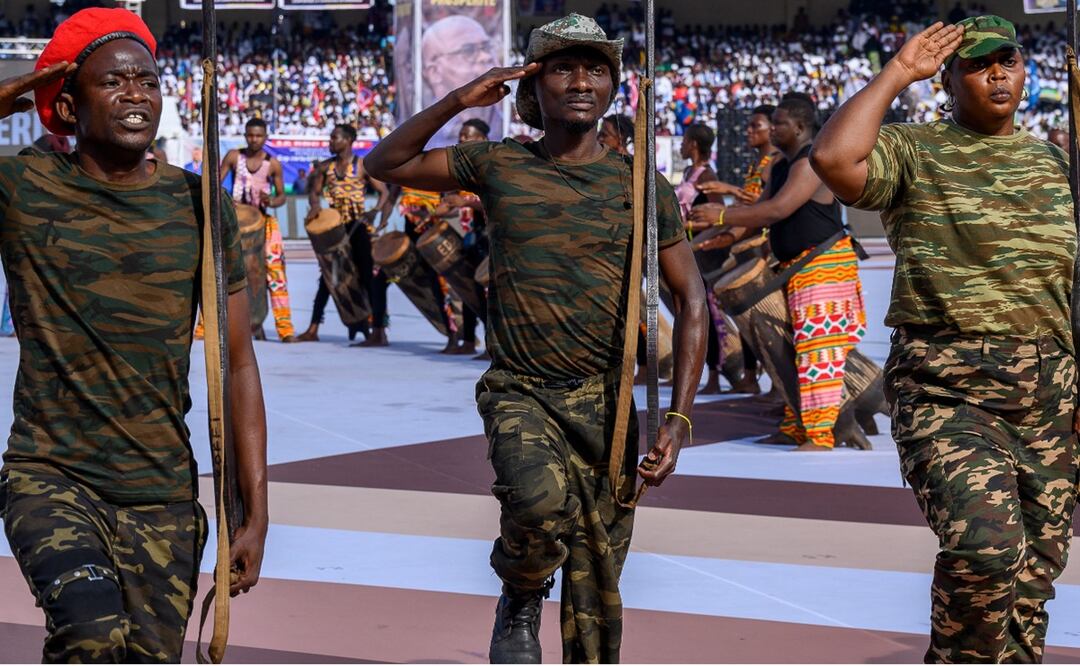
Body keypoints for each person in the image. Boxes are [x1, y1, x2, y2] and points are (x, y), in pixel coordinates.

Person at [365, 13, 707, 664]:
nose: (582, 80)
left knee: (598, 599)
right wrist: (462, 98)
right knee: (537, 505)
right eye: (563, 67)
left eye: (597, 67)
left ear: (614, 85)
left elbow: (692, 298)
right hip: (521, 392)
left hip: (607, 408)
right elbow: (387, 162)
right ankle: (520, 590)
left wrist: (680, 420)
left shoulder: (641, 186)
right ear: (533, 85)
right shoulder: (499, 165)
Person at [0, 8, 267, 662]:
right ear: (66, 102)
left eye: (147, 81)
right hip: (52, 476)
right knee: (92, 635)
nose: (135, 95)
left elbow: (236, 363)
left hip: (163, 492)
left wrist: (253, 511)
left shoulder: (198, 204)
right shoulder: (23, 187)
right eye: (113, 82)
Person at [810, 17, 1077, 662]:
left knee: (1032, 577)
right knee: (985, 550)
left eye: (1007, 61)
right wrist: (898, 72)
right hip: (948, 390)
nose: (998, 75)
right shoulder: (915, 149)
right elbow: (833, 160)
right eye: (979, 65)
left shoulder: (1052, 162)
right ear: (949, 80)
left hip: (1049, 393)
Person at [688, 95, 867, 452]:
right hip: (796, 269)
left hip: (823, 268)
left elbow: (777, 210)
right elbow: (758, 215)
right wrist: (702, 240)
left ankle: (819, 434)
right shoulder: (782, 166)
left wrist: (721, 217)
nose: (773, 128)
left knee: (818, 351)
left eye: (779, 122)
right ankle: (796, 426)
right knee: (790, 348)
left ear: (799, 127)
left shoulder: (809, 162)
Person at [299, 124, 391, 344]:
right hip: (335, 228)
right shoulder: (325, 167)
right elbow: (314, 192)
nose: (330, 142)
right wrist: (314, 205)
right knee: (328, 278)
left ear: (349, 140)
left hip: (358, 226)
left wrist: (375, 211)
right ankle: (313, 329)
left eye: (334, 138)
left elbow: (384, 192)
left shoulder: (362, 166)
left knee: (367, 277)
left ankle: (379, 330)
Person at [221, 117, 296, 342]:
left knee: (275, 274)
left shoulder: (272, 163)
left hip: (263, 222)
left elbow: (282, 196)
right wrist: (225, 202)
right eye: (250, 135)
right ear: (245, 135)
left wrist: (271, 201)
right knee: (224, 271)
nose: (254, 139)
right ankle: (210, 327)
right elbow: (215, 182)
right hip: (235, 222)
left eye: (259, 136)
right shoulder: (234, 156)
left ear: (265, 137)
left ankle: (285, 329)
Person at [432, 118, 490, 356]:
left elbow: (490, 203)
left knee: (488, 292)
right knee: (467, 287)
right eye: (461, 136)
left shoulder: (490, 166)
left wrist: (465, 201)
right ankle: (467, 340)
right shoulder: (461, 171)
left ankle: (492, 345)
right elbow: (446, 205)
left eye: (469, 135)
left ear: (483, 140)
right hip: (470, 235)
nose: (463, 140)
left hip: (490, 236)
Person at [422, 15, 500, 149]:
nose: (485, 57)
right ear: (434, 72)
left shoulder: (507, 124)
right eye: (468, 50)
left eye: (486, 47)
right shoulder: (422, 134)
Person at [701, 105, 782, 205]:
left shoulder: (777, 162)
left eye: (755, 126)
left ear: (772, 128)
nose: (748, 130)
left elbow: (774, 208)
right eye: (748, 126)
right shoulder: (756, 163)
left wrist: (730, 190)